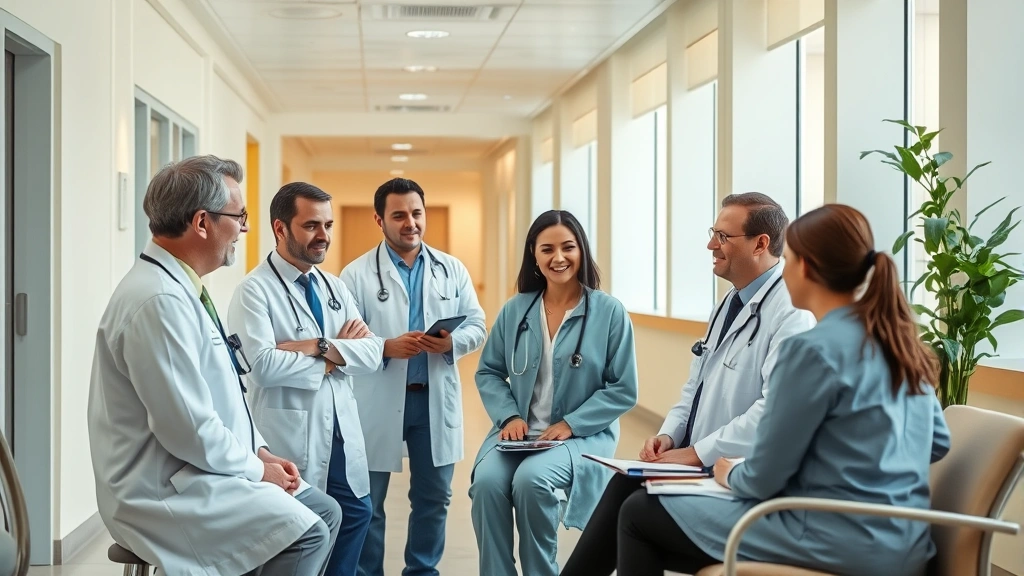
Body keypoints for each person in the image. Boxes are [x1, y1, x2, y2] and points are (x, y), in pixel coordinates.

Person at [605, 203, 952, 575]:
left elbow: (763, 478)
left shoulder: (812, 349)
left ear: (806, 267)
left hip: (834, 538)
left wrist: (726, 471)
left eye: (787, 259)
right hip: (906, 544)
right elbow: (937, 443)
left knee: (639, 514)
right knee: (655, 520)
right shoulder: (898, 343)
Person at [88, 156, 341, 576]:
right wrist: (258, 470)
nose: (245, 228)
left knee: (326, 511)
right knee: (308, 531)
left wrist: (260, 451)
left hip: (199, 469)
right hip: (162, 490)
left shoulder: (182, 288)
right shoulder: (159, 302)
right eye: (239, 216)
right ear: (202, 222)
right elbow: (188, 430)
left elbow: (222, 399)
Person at [561, 192, 815, 575]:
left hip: (738, 467)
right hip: (707, 460)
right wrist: (670, 436)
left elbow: (772, 411)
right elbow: (694, 387)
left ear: (761, 244)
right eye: (713, 233)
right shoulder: (728, 304)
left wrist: (698, 453)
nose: (711, 244)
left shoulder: (792, 312)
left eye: (723, 237)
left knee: (635, 511)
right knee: (622, 487)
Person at [227, 182, 385, 576]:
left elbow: (371, 352)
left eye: (328, 225)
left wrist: (311, 346)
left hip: (341, 434)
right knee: (301, 531)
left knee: (356, 516)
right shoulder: (254, 291)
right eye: (312, 225)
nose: (324, 236)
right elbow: (262, 365)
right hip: (290, 435)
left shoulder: (334, 286)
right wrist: (334, 351)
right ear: (281, 229)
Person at [470, 209, 639, 576]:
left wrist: (571, 423)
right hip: (517, 432)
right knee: (486, 484)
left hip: (580, 435)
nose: (558, 258)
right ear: (534, 253)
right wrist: (509, 415)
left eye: (568, 247)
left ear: (582, 250)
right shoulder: (516, 310)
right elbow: (489, 372)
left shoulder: (608, 312)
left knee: (532, 481)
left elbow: (623, 388)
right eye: (547, 249)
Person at [339, 177, 486, 576]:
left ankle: (421, 572)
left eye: (416, 213)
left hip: (432, 399)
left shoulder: (450, 268)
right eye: (399, 215)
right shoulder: (355, 275)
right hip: (378, 397)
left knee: (434, 497)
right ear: (379, 219)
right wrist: (385, 346)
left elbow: (477, 323)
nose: (410, 223)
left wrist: (450, 344)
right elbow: (347, 340)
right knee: (367, 501)